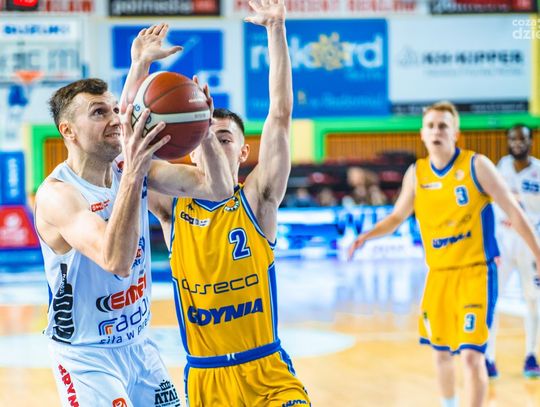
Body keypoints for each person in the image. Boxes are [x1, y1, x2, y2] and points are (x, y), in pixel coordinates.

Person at [34, 25, 232, 407]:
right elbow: (116, 260)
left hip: (139, 346)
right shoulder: (58, 195)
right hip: (86, 357)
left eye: (114, 109)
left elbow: (218, 188)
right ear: (68, 131)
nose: (115, 118)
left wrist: (204, 130)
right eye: (99, 113)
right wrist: (135, 172)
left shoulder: (130, 168)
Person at [139, 1, 310, 405]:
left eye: (223, 137)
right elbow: (132, 158)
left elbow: (280, 115)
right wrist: (141, 69)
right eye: (201, 133)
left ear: (243, 152)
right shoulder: (172, 208)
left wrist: (276, 30)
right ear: (189, 148)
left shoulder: (259, 199)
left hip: (266, 371)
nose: (211, 140)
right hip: (206, 377)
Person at [348, 102, 540, 407]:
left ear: (455, 133)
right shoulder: (417, 173)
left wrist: (538, 254)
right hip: (438, 276)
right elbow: (397, 217)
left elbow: (514, 212)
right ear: (422, 134)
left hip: (476, 272)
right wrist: (365, 237)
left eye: (443, 126)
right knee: (441, 355)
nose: (436, 131)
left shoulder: (477, 166)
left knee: (472, 357)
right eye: (431, 126)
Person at [485, 124, 540, 378]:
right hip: (504, 243)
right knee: (491, 299)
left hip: (531, 243)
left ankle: (531, 355)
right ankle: (488, 358)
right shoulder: (500, 168)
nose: (517, 143)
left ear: (531, 141)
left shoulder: (538, 171)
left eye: (522, 139)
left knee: (533, 300)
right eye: (513, 139)